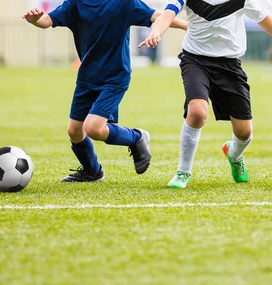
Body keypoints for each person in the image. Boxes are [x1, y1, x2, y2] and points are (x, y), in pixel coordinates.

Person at [140, 0, 272, 188]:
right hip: (195, 60)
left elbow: (261, 17)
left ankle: (234, 155)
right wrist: (156, 32)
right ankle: (182, 172)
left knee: (244, 132)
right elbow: (168, 14)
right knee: (197, 113)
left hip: (230, 64)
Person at [22, 0, 187, 182]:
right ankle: (92, 171)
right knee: (75, 131)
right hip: (87, 77)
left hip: (115, 77)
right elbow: (47, 21)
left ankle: (137, 137)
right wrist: (35, 20)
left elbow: (160, 16)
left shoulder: (124, 3)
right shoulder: (75, 4)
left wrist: (187, 26)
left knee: (93, 128)